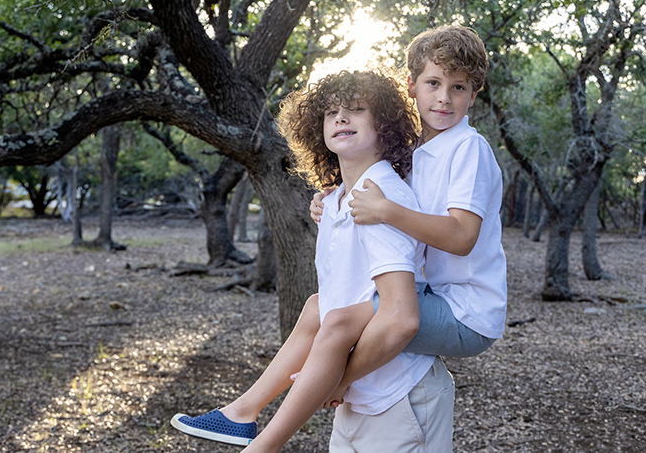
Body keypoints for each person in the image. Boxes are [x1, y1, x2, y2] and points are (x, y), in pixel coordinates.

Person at [171, 70, 454, 453]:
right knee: (317, 306)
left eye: (356, 110)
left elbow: (401, 317)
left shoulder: (381, 197)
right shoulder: (336, 200)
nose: (340, 118)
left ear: (383, 124)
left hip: (398, 396)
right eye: (330, 112)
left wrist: (338, 379)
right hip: (358, 397)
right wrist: (339, 381)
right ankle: (242, 413)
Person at [312, 25, 508, 360]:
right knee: (320, 309)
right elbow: (371, 176)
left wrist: (387, 211)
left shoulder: (468, 148)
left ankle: (338, 383)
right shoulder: (412, 149)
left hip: (467, 311)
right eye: (433, 83)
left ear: (473, 96)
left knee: (339, 318)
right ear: (412, 86)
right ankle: (244, 409)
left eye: (458, 87)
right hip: (431, 293)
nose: (444, 97)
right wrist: (333, 199)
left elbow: (462, 237)